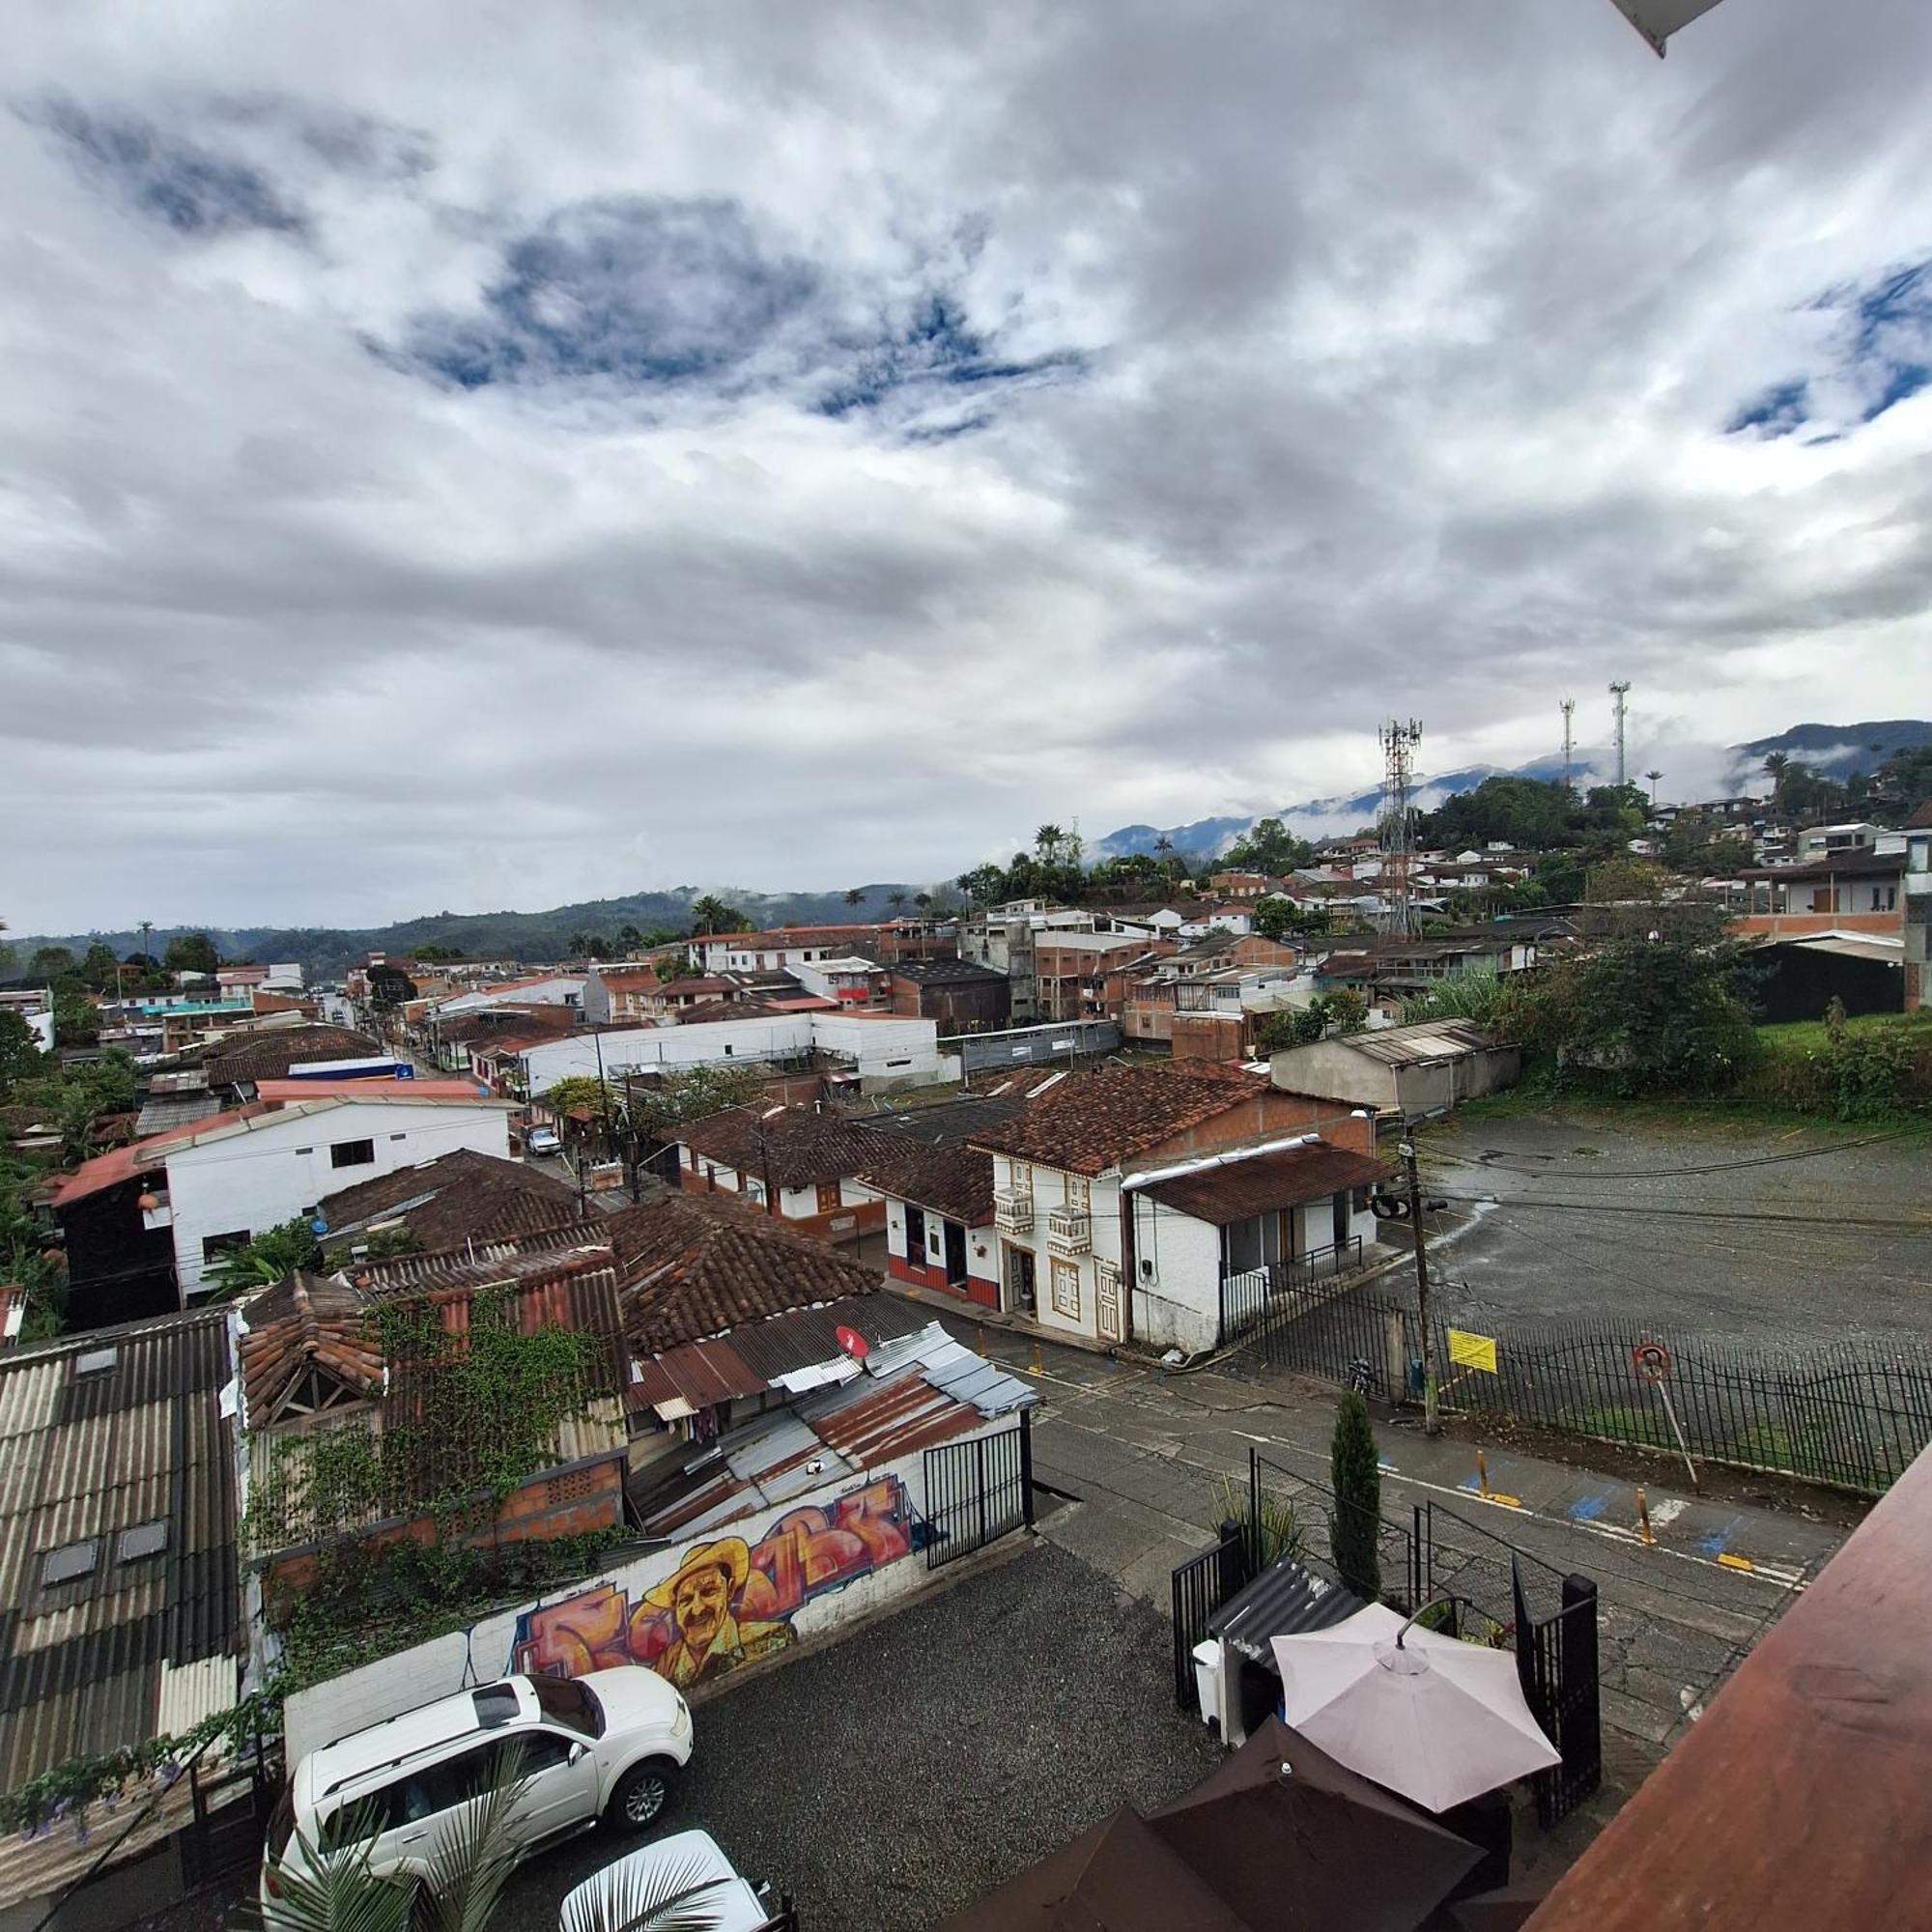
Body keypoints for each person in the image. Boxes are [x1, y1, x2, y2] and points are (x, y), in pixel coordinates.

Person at [638, 1538, 794, 1688]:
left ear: (730, 1590)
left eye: (709, 1591)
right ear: (675, 1609)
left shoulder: (772, 1638)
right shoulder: (663, 1670)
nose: (697, 1609)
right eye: (685, 1600)